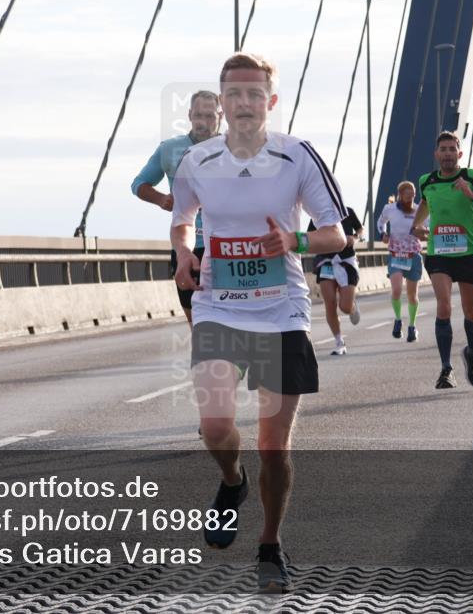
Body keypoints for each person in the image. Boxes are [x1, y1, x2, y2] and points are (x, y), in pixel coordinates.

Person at [171, 52, 346, 593]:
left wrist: (292, 241)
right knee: (217, 426)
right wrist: (183, 253)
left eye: (254, 94)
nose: (244, 103)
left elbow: (336, 236)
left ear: (270, 102)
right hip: (219, 303)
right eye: (234, 94)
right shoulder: (196, 161)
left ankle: (270, 543)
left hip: (280, 308)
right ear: (221, 105)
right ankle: (232, 479)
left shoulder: (298, 156)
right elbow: (182, 221)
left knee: (275, 444)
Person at [411, 131, 473, 389]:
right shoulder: (426, 181)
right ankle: (445, 370)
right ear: (436, 154)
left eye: (453, 149)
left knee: (471, 312)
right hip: (439, 254)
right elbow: (425, 204)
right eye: (444, 149)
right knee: (444, 307)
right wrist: (415, 226)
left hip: (470, 254)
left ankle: (471, 353)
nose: (448, 153)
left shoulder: (472, 177)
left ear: (459, 154)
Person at [132, 91, 222, 325]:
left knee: (230, 321)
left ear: (220, 116)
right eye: (199, 115)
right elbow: (139, 184)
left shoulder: (233, 149)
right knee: (199, 326)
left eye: (210, 116)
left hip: (226, 246)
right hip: (188, 248)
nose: (204, 121)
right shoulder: (170, 149)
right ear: (190, 115)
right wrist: (161, 199)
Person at [377, 181, 426, 342]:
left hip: (413, 255)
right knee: (397, 290)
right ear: (400, 195)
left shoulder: (420, 210)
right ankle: (398, 320)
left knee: (412, 296)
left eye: (412, 193)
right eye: (406, 194)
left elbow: (430, 227)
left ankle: (412, 326)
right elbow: (381, 222)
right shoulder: (389, 209)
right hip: (396, 254)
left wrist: (423, 233)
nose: (410, 196)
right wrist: (383, 234)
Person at [309, 207, 362, 355]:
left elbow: (359, 228)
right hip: (326, 261)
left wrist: (355, 237)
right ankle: (339, 341)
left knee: (344, 307)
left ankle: (351, 305)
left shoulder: (348, 211)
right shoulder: (316, 214)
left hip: (346, 260)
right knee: (330, 303)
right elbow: (310, 235)